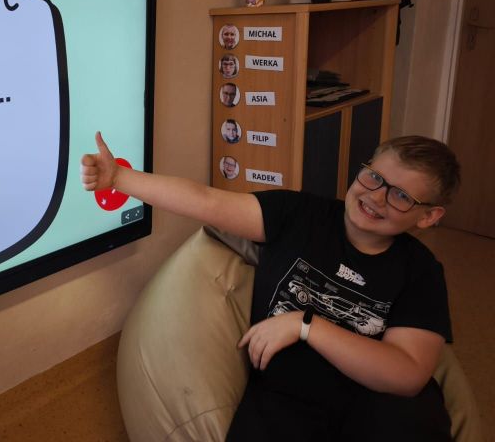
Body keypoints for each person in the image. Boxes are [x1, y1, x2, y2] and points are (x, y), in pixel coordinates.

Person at [80, 133, 460, 442]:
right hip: (287, 399)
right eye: (374, 177)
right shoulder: (298, 215)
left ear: (428, 216)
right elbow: (206, 201)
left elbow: (407, 374)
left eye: (401, 196)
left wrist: (305, 325)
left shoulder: (421, 271)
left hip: (377, 402)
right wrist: (120, 179)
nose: (376, 197)